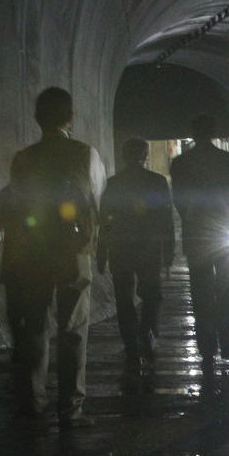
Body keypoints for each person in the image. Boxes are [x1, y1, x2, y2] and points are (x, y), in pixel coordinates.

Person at [8, 87, 105, 428]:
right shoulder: (85, 154)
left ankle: (34, 402)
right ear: (71, 118)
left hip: (33, 253)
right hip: (73, 253)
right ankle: (71, 407)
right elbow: (97, 198)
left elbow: (15, 206)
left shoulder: (23, 159)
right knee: (73, 328)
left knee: (34, 326)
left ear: (37, 118)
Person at [169, 114, 229, 371]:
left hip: (197, 233)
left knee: (200, 292)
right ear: (213, 132)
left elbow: (178, 200)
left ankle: (207, 348)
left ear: (193, 133)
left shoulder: (180, 163)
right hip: (223, 233)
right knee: (225, 290)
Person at [97, 138, 174, 383]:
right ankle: (146, 333)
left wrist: (102, 251)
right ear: (145, 155)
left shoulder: (113, 184)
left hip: (121, 250)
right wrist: (169, 251)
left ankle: (131, 346)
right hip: (149, 249)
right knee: (153, 295)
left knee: (124, 297)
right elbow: (166, 219)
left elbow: (105, 221)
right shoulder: (157, 182)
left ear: (123, 155)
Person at [0, 184, 28, 349]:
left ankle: (19, 343)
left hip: (12, 260)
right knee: (33, 307)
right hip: (34, 262)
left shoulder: (6, 193)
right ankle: (27, 344)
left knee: (14, 307)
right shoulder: (38, 192)